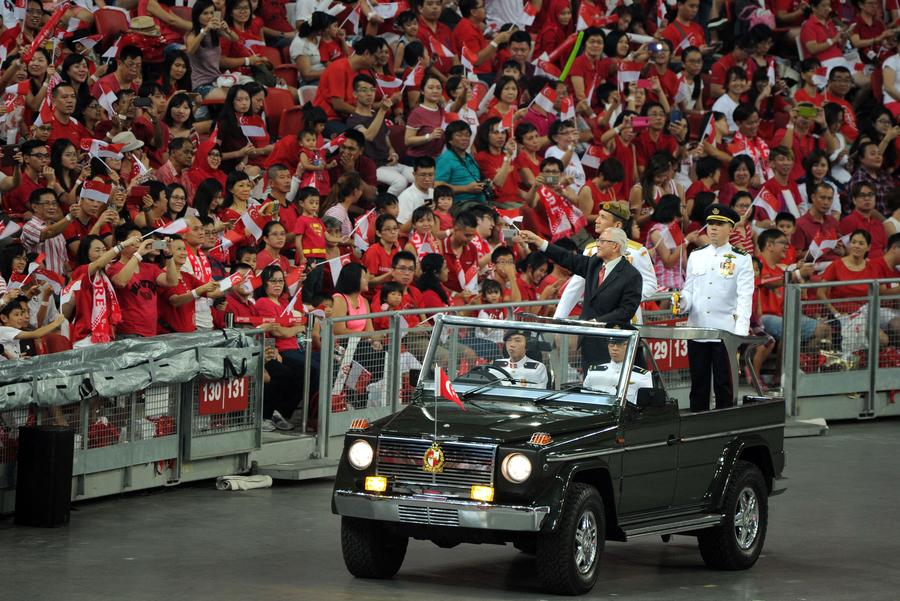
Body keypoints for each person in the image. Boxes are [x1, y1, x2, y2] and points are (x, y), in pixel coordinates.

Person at [675, 203, 754, 412]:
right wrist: (682, 301)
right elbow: (689, 289)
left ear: (731, 228)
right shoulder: (696, 255)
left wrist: (740, 334)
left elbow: (745, 299)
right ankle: (697, 424)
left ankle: (724, 424)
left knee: (724, 384)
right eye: (710, 223)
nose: (713, 228)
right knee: (698, 385)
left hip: (725, 331)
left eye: (719, 224)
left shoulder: (742, 258)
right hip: (698, 328)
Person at [519, 227, 643, 352]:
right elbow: (566, 257)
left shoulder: (631, 275)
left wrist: (597, 322)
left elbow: (626, 310)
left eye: (602, 241)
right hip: (587, 340)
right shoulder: (594, 263)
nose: (597, 244)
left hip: (613, 342)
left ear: (615, 246)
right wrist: (538, 241)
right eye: (598, 240)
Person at [554, 201, 657, 322]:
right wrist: (558, 319)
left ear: (617, 225)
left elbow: (650, 284)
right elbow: (575, 287)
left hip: (625, 319)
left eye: (603, 217)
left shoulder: (637, 251)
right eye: (598, 216)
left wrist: (624, 297)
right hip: (594, 319)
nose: (597, 220)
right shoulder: (591, 250)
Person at [583, 329, 653, 404]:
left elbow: (644, 407)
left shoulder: (642, 377)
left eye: (620, 344)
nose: (615, 348)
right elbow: (584, 400)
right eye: (612, 344)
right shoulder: (594, 373)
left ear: (630, 346)